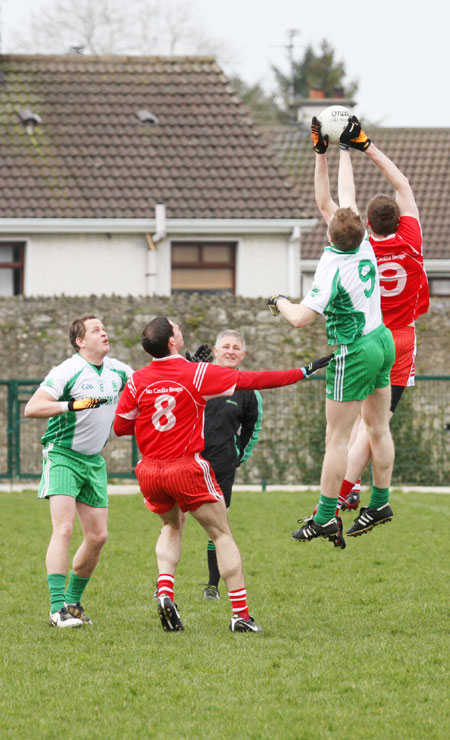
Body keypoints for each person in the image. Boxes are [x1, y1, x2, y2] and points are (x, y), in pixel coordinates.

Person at [114, 316, 332, 633]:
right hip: (185, 466)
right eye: (176, 327)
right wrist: (303, 370)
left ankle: (165, 592)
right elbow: (256, 380)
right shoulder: (196, 372)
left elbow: (121, 427)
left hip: (149, 469)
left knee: (171, 526)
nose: (180, 328)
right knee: (222, 534)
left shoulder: (137, 380)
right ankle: (241, 616)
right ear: (173, 341)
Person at [267, 115, 396, 547]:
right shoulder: (363, 240)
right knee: (378, 428)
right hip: (383, 340)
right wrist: (337, 150)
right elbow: (341, 201)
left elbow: (302, 317)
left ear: (329, 231)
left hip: (355, 349)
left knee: (336, 439)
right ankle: (380, 500)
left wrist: (279, 301)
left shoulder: (331, 264)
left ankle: (324, 517)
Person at [333, 116, 429, 514]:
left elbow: (346, 204)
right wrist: (366, 145)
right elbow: (402, 184)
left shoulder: (363, 247)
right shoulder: (411, 237)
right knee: (375, 423)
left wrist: (343, 152)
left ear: (367, 225)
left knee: (364, 422)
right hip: (403, 337)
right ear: (401, 221)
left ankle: (345, 490)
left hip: (370, 335)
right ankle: (352, 488)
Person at [24, 315, 133, 628]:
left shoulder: (118, 370)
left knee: (98, 536)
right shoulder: (67, 370)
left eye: (104, 328)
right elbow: (33, 407)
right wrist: (72, 405)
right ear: (80, 341)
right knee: (64, 529)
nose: (104, 332)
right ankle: (57, 609)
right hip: (62, 455)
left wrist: (183, 368)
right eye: (96, 330)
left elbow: (149, 386)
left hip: (93, 461)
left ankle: (72, 604)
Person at [201, 330, 262, 601]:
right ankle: (164, 584)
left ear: (243, 354)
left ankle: (213, 586)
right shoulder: (199, 378)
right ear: (215, 350)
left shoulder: (248, 389)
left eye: (236, 348)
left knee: (218, 525)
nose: (230, 351)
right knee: (174, 520)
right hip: (190, 461)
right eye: (225, 346)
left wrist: (238, 455)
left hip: (222, 467)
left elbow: (253, 426)